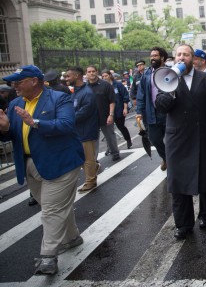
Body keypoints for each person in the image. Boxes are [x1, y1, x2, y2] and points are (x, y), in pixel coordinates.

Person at [0, 65, 85, 275]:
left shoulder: (59, 98)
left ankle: (48, 256)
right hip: (30, 165)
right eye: (13, 83)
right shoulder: (15, 104)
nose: (14, 86)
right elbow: (12, 135)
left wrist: (35, 122)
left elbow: (66, 125)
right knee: (53, 206)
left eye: (19, 82)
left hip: (61, 163)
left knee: (51, 209)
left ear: (34, 81)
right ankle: (72, 237)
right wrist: (3, 129)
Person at [155, 45, 206, 238]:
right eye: (178, 54)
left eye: (186, 54)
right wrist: (170, 89)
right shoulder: (166, 78)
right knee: (178, 183)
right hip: (177, 139)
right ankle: (183, 225)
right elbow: (161, 107)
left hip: (203, 136)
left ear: (192, 58)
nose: (181, 57)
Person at [64, 67, 100, 193]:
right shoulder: (77, 92)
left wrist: (67, 119)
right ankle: (94, 170)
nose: (66, 78)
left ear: (77, 76)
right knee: (85, 157)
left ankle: (91, 181)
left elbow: (83, 113)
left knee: (88, 158)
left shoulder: (87, 93)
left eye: (68, 76)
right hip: (78, 131)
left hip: (86, 130)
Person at [136, 47, 168, 171]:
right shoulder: (146, 74)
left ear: (162, 58)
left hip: (168, 113)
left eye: (155, 55)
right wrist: (139, 111)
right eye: (151, 56)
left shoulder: (170, 72)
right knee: (154, 139)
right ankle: (166, 158)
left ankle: (172, 160)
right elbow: (141, 94)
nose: (152, 58)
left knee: (172, 140)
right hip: (152, 113)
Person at [86, 65, 120, 161]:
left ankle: (115, 153)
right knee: (93, 139)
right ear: (86, 73)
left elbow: (112, 101)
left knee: (110, 136)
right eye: (89, 71)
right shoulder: (85, 87)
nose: (91, 73)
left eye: (93, 71)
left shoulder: (106, 85)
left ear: (97, 72)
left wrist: (111, 114)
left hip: (105, 116)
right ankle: (94, 159)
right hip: (91, 118)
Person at [101, 70, 132, 149]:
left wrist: (125, 108)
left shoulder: (118, 84)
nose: (104, 78)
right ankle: (110, 147)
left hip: (119, 109)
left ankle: (128, 139)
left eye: (106, 76)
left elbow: (125, 96)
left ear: (110, 75)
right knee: (109, 130)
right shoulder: (102, 86)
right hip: (107, 111)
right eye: (103, 76)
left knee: (121, 126)